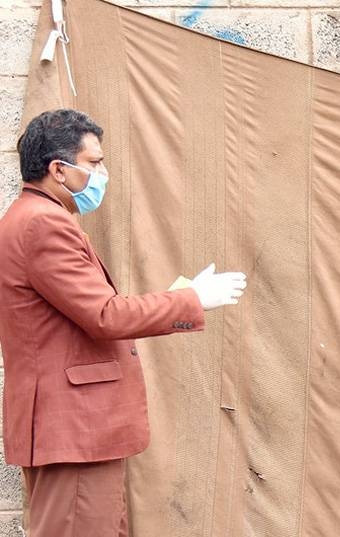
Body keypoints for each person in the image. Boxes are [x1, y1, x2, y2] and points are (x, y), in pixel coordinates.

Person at [0, 109, 248, 537]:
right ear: (59, 169)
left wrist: (176, 296)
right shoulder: (43, 224)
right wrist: (190, 301)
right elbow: (105, 315)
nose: (102, 172)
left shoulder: (39, 218)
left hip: (75, 428)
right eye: (94, 162)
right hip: (75, 429)